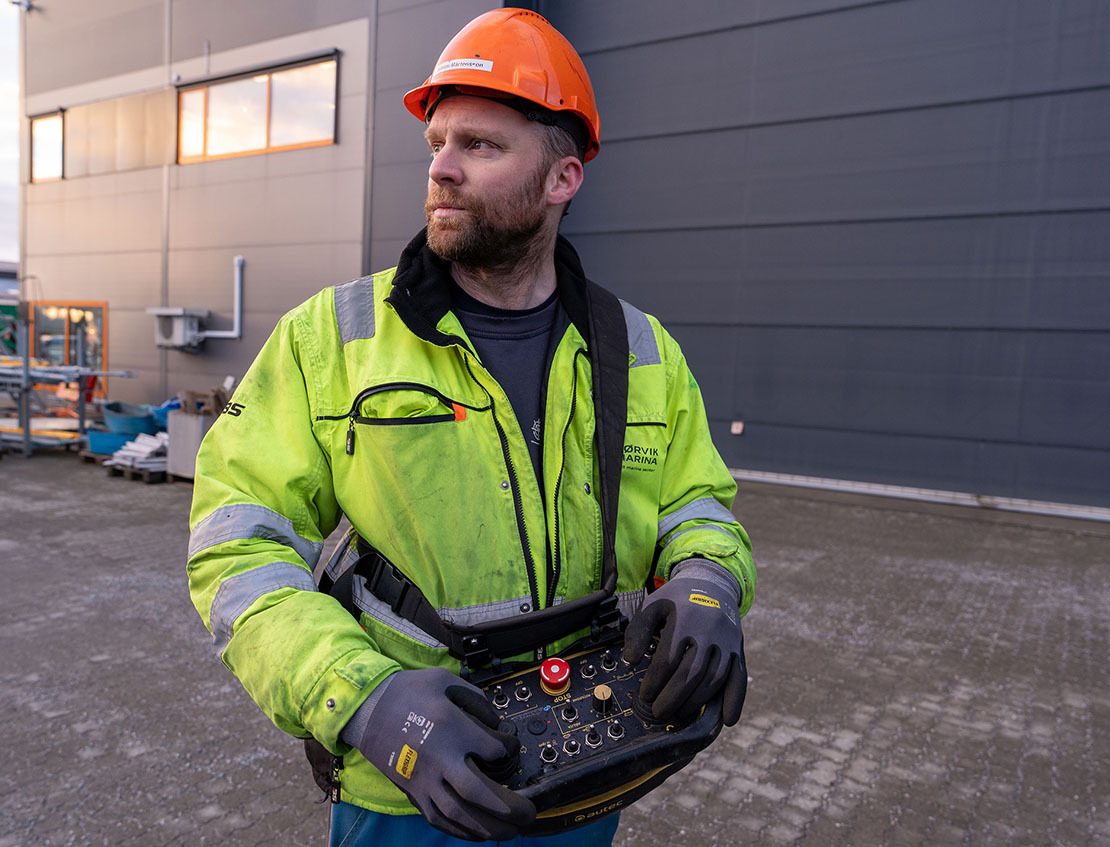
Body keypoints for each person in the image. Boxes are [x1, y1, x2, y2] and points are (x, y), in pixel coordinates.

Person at [186, 9, 756, 846]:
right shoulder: (330, 339)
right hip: (409, 784)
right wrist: (365, 696)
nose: (442, 169)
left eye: (480, 147)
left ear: (562, 180)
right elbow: (236, 541)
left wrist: (709, 580)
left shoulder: (639, 349)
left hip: (589, 765)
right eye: (437, 144)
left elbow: (694, 501)